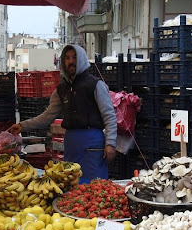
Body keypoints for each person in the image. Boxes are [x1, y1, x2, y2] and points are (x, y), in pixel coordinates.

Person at [9, 44, 117, 182]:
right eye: (67, 58)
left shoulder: (96, 85)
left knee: (95, 186)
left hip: (92, 142)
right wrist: (23, 126)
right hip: (71, 143)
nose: (71, 61)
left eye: (74, 57)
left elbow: (109, 116)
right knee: (71, 184)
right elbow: (47, 116)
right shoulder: (61, 90)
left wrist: (111, 143)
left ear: (82, 59)